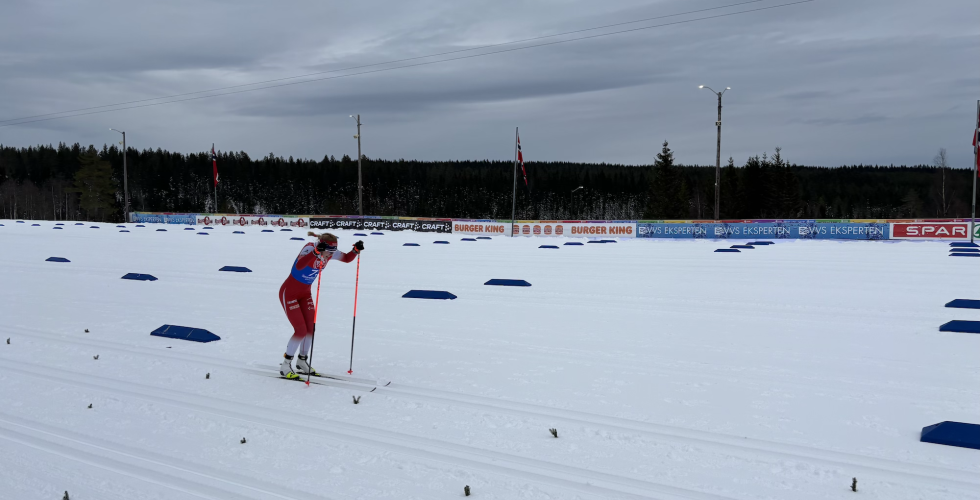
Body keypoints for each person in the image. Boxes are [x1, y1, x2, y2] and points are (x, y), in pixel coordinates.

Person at [279, 231, 364, 379]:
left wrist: (355, 250)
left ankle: (302, 361)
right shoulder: (309, 248)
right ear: (320, 245)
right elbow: (298, 267)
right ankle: (285, 365)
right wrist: (315, 253)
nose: (330, 254)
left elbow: (346, 258)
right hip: (289, 293)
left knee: (310, 329)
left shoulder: (330, 252)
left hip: (305, 294)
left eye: (333, 251)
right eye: (329, 251)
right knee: (300, 330)